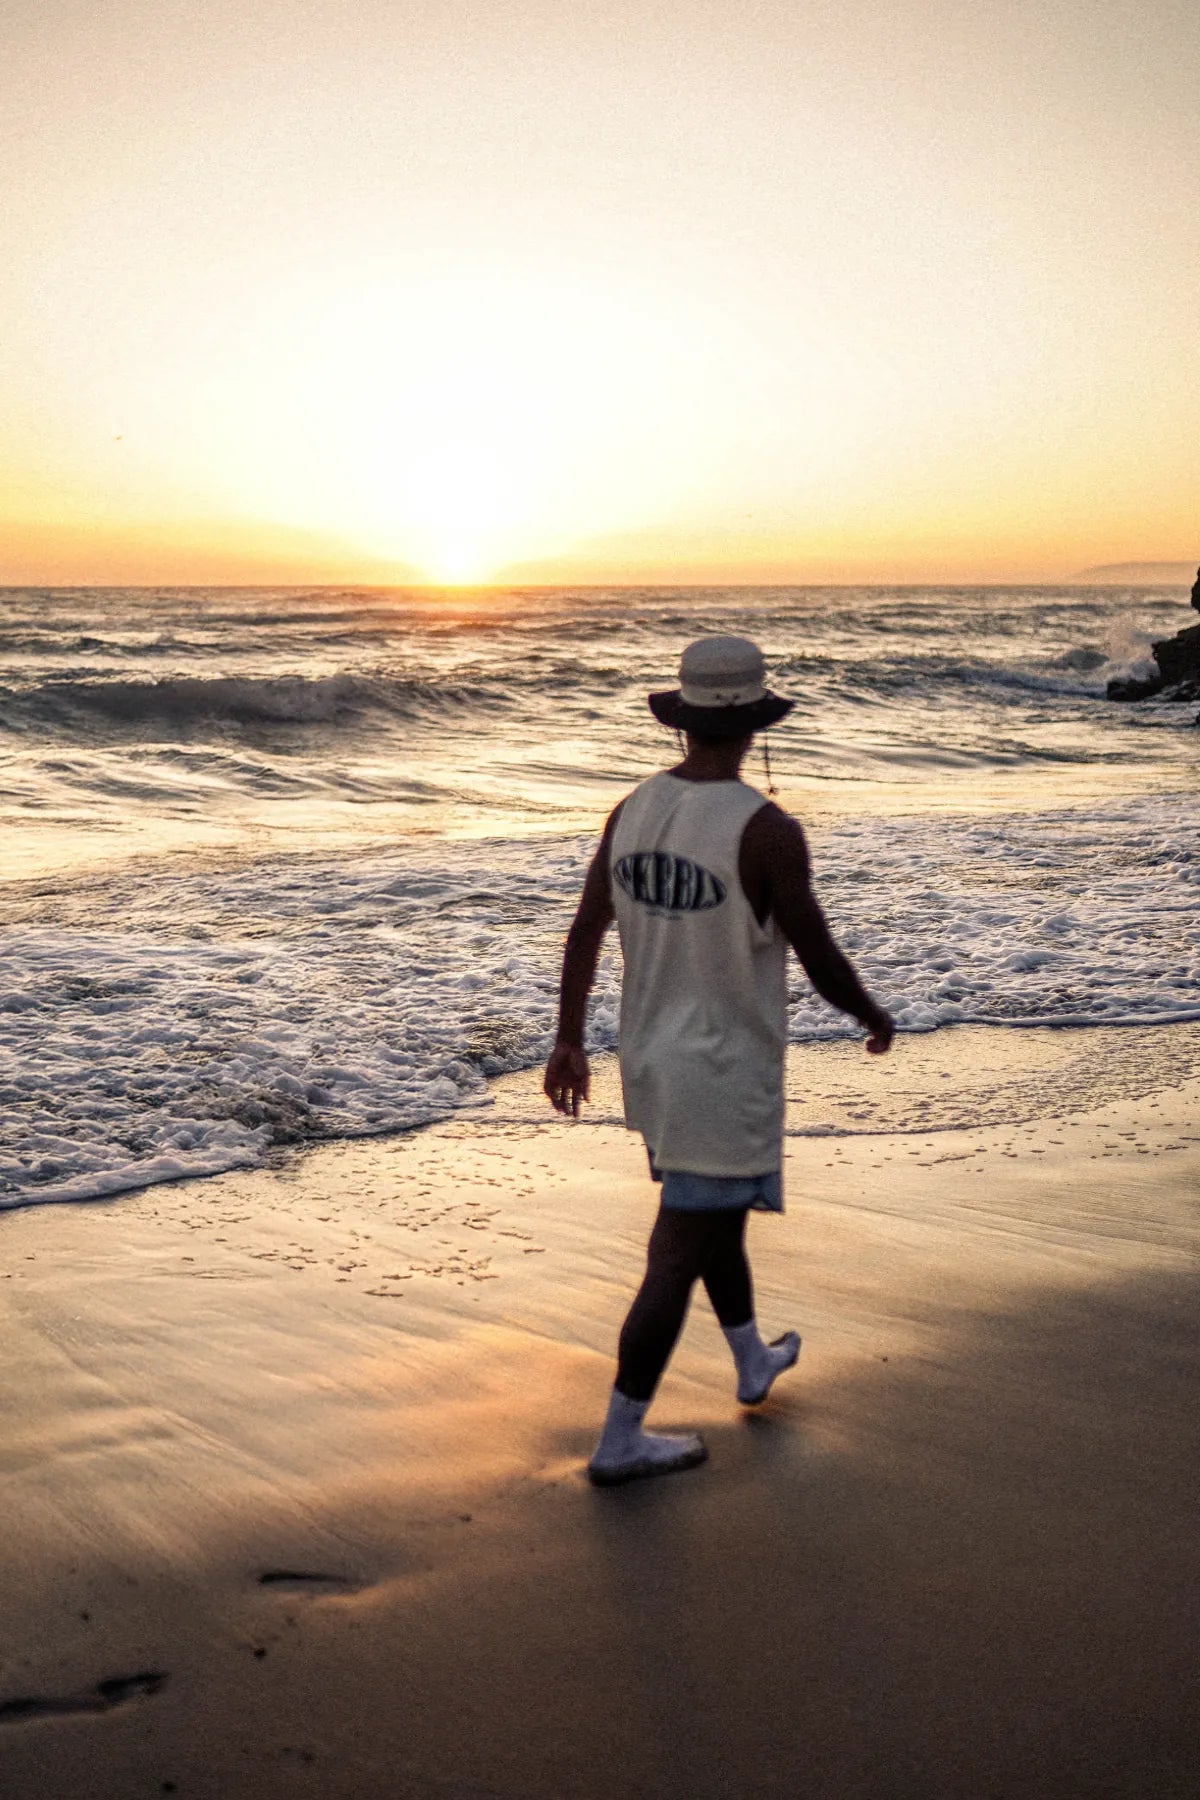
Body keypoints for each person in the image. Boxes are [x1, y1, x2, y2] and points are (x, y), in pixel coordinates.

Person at [543, 635, 895, 1485]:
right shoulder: (767, 830)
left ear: (685, 722)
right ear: (756, 728)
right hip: (721, 1069)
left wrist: (569, 1038)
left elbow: (587, 927)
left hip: (653, 1062)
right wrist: (872, 1013)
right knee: (678, 1249)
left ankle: (750, 1361)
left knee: (713, 1217)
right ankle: (621, 1436)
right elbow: (817, 954)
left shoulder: (631, 809)